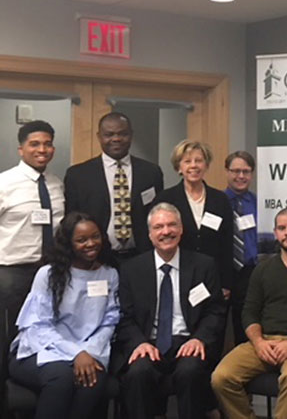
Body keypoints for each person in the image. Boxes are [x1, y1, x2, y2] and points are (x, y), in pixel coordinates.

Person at [211, 208, 287, 419]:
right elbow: (249, 312)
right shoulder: (263, 269)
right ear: (276, 233)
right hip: (264, 342)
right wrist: (259, 342)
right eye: (282, 228)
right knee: (221, 377)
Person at [116, 202, 226, 419]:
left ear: (181, 229)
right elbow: (123, 316)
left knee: (191, 371)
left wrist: (199, 339)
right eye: (159, 227)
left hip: (188, 341)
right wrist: (139, 343)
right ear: (149, 234)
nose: (166, 231)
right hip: (148, 342)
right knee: (138, 373)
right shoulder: (131, 269)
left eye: (171, 225)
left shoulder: (204, 265)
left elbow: (215, 310)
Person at [9, 212, 119, 419]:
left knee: (92, 379)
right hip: (41, 349)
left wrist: (89, 353)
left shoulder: (109, 274)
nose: (90, 243)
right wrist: (76, 354)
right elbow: (38, 326)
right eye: (81, 240)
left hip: (92, 350)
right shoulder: (49, 274)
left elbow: (109, 321)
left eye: (95, 236)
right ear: (69, 243)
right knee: (61, 378)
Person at [0, 120, 65, 395]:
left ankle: (42, 397)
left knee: (46, 338)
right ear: (21, 148)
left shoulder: (57, 184)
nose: (42, 149)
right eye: (34, 144)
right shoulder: (5, 183)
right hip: (14, 274)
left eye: (47, 143)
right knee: (13, 341)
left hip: (52, 273)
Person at [64, 112, 164, 262]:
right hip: (96, 258)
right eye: (109, 134)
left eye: (122, 134)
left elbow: (158, 214)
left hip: (141, 256)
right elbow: (71, 221)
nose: (116, 139)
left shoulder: (151, 172)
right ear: (99, 137)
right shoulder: (78, 175)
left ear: (131, 135)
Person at [153, 140, 234, 299]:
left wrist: (226, 283)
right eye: (187, 161)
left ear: (206, 165)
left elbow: (226, 243)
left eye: (199, 160)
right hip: (178, 275)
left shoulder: (220, 199)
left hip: (213, 277)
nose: (194, 166)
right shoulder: (165, 199)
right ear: (179, 167)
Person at [224, 151, 259, 345]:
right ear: (227, 172)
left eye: (246, 171)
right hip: (223, 273)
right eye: (236, 171)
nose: (241, 176)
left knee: (245, 327)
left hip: (250, 274)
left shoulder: (258, 203)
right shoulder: (215, 202)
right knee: (217, 327)